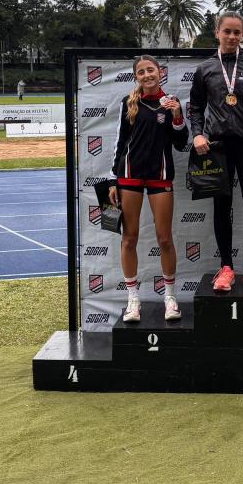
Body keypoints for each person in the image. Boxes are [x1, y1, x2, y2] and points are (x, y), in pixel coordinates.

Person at [189, 11, 243, 292]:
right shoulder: (205, 69)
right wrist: (197, 133)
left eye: (237, 32)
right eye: (227, 31)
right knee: (222, 208)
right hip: (218, 148)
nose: (232, 36)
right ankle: (226, 267)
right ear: (217, 32)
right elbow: (196, 107)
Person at [108, 55, 188, 322]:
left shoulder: (171, 102)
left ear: (160, 72)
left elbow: (181, 143)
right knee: (128, 238)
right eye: (141, 72)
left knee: (164, 239)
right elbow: (120, 142)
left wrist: (177, 116)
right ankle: (133, 300)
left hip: (160, 176)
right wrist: (113, 178)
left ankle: (170, 298)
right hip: (129, 176)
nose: (147, 75)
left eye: (150, 70)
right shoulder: (128, 103)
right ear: (136, 77)